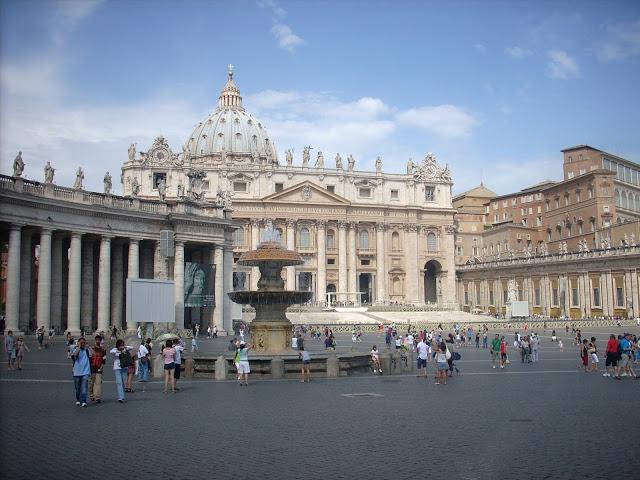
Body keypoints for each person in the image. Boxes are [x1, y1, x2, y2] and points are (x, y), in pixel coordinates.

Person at [71, 337, 92, 407]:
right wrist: (79, 347)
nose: (83, 344)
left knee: (84, 387)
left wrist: (89, 347)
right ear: (79, 343)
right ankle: (78, 399)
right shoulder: (75, 349)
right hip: (76, 372)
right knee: (77, 389)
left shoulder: (87, 350)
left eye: (84, 343)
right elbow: (74, 355)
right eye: (81, 343)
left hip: (85, 372)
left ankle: (84, 401)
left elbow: (94, 354)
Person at [89, 335, 106, 403]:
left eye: (99, 340)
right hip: (92, 366)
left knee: (98, 382)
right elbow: (90, 358)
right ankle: (91, 394)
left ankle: (97, 397)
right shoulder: (92, 348)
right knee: (92, 382)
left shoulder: (103, 349)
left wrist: (102, 366)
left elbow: (104, 359)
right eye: (97, 340)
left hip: (99, 367)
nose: (98, 341)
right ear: (95, 340)